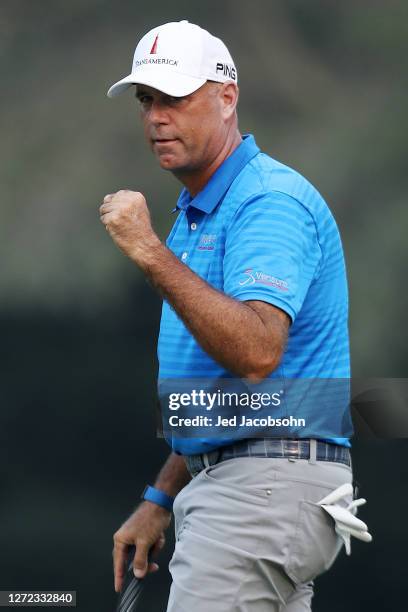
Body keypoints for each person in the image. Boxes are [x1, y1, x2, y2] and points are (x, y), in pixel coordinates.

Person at [100, 20, 370, 612]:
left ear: (227, 97)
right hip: (265, 488)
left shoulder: (266, 202)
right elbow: (225, 391)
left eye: (174, 97)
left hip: (262, 491)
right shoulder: (206, 208)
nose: (155, 117)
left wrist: (148, 250)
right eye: (147, 100)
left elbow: (256, 353)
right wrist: (161, 495)